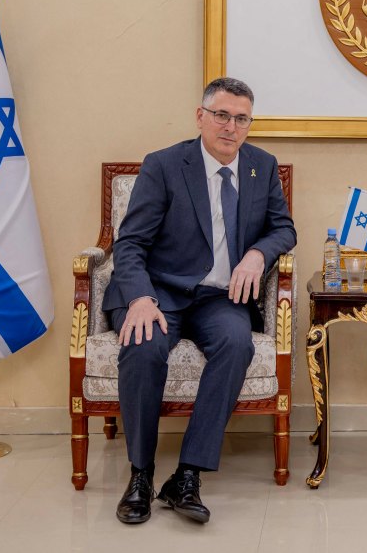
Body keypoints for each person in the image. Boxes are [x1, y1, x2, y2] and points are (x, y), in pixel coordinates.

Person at [102, 77, 296, 525]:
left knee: (237, 343)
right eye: (222, 115)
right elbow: (129, 243)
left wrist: (257, 254)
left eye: (241, 119)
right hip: (159, 293)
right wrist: (140, 298)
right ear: (200, 117)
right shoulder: (164, 165)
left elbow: (283, 228)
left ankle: (187, 475)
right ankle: (141, 475)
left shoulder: (261, 166)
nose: (231, 127)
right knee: (143, 345)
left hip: (219, 297)